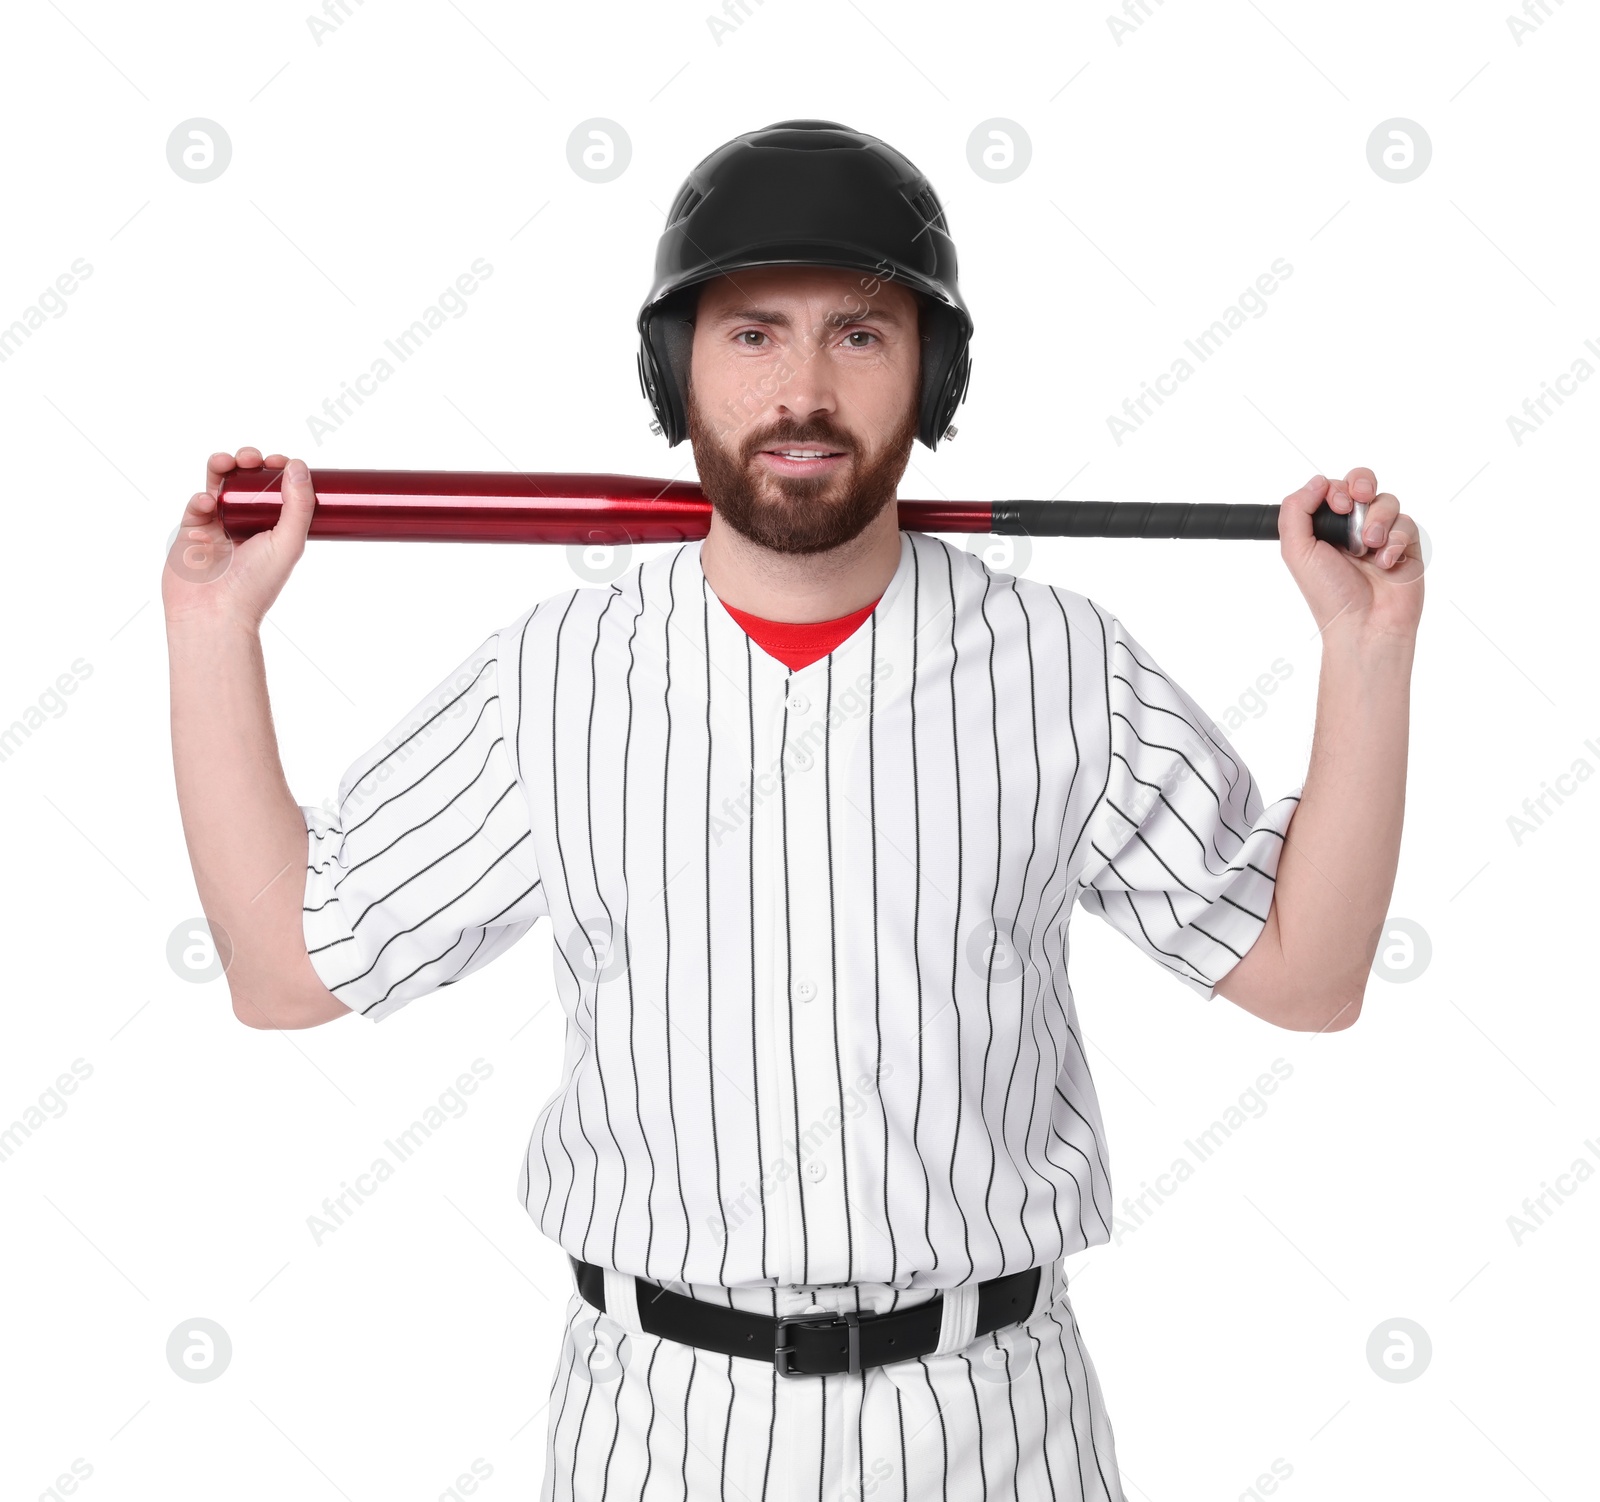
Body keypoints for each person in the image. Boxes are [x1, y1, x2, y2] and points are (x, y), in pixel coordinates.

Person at [164, 121, 1423, 1501]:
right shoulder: (555, 676)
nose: (805, 389)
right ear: (676, 370)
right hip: (661, 1426)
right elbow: (286, 971)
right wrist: (213, 628)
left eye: (862, 335)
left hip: (995, 1424)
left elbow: (1310, 975)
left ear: (931, 373)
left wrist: (1366, 654)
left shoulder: (1069, 664)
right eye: (753, 335)